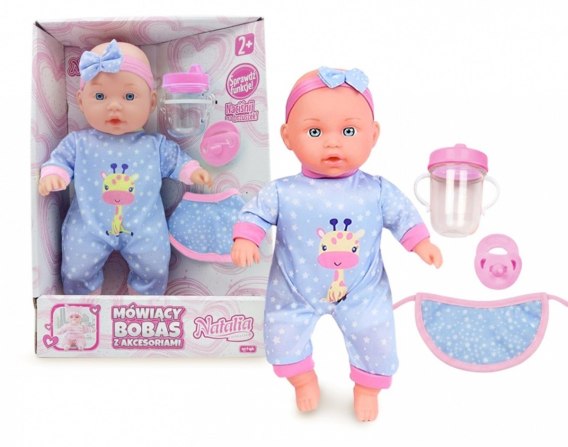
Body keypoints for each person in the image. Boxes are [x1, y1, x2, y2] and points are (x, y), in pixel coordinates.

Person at [231, 67, 442, 421]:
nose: (333, 143)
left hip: (363, 290)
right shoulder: (283, 191)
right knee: (282, 337)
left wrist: (421, 242)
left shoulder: (376, 190)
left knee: (375, 334)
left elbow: (402, 215)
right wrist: (246, 237)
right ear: (287, 136)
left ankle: (368, 388)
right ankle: (302, 380)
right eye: (315, 131)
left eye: (349, 131)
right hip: (294, 290)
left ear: (373, 135)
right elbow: (255, 214)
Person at [38, 40, 212, 295]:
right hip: (88, 224)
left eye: (129, 96)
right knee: (76, 270)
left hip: (144, 226)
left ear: (151, 102)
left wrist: (192, 170)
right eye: (100, 96)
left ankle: (141, 307)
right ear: (81, 102)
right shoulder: (78, 142)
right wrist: (54, 174)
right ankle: (83, 310)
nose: (114, 106)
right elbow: (59, 160)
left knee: (155, 267)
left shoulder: (154, 145)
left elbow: (177, 160)